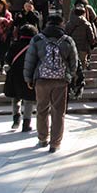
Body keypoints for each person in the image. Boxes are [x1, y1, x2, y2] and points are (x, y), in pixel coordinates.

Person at [24, 14, 78, 153]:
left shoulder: (37, 39)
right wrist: (70, 76)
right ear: (62, 24)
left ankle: (42, 138)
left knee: (41, 109)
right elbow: (74, 61)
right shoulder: (67, 40)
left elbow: (30, 60)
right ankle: (55, 143)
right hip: (60, 80)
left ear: (47, 23)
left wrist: (28, 78)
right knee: (58, 112)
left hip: (42, 79)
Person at [4, 24, 38, 132]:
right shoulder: (35, 46)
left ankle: (16, 118)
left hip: (14, 74)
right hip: (29, 74)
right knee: (28, 99)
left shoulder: (14, 44)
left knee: (15, 97)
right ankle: (26, 123)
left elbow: (8, 59)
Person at [66, 5, 96, 70]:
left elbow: (66, 35)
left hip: (72, 46)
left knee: (73, 61)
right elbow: (91, 36)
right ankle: (83, 76)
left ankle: (75, 76)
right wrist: (92, 43)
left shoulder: (69, 24)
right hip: (83, 46)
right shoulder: (86, 24)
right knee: (83, 62)